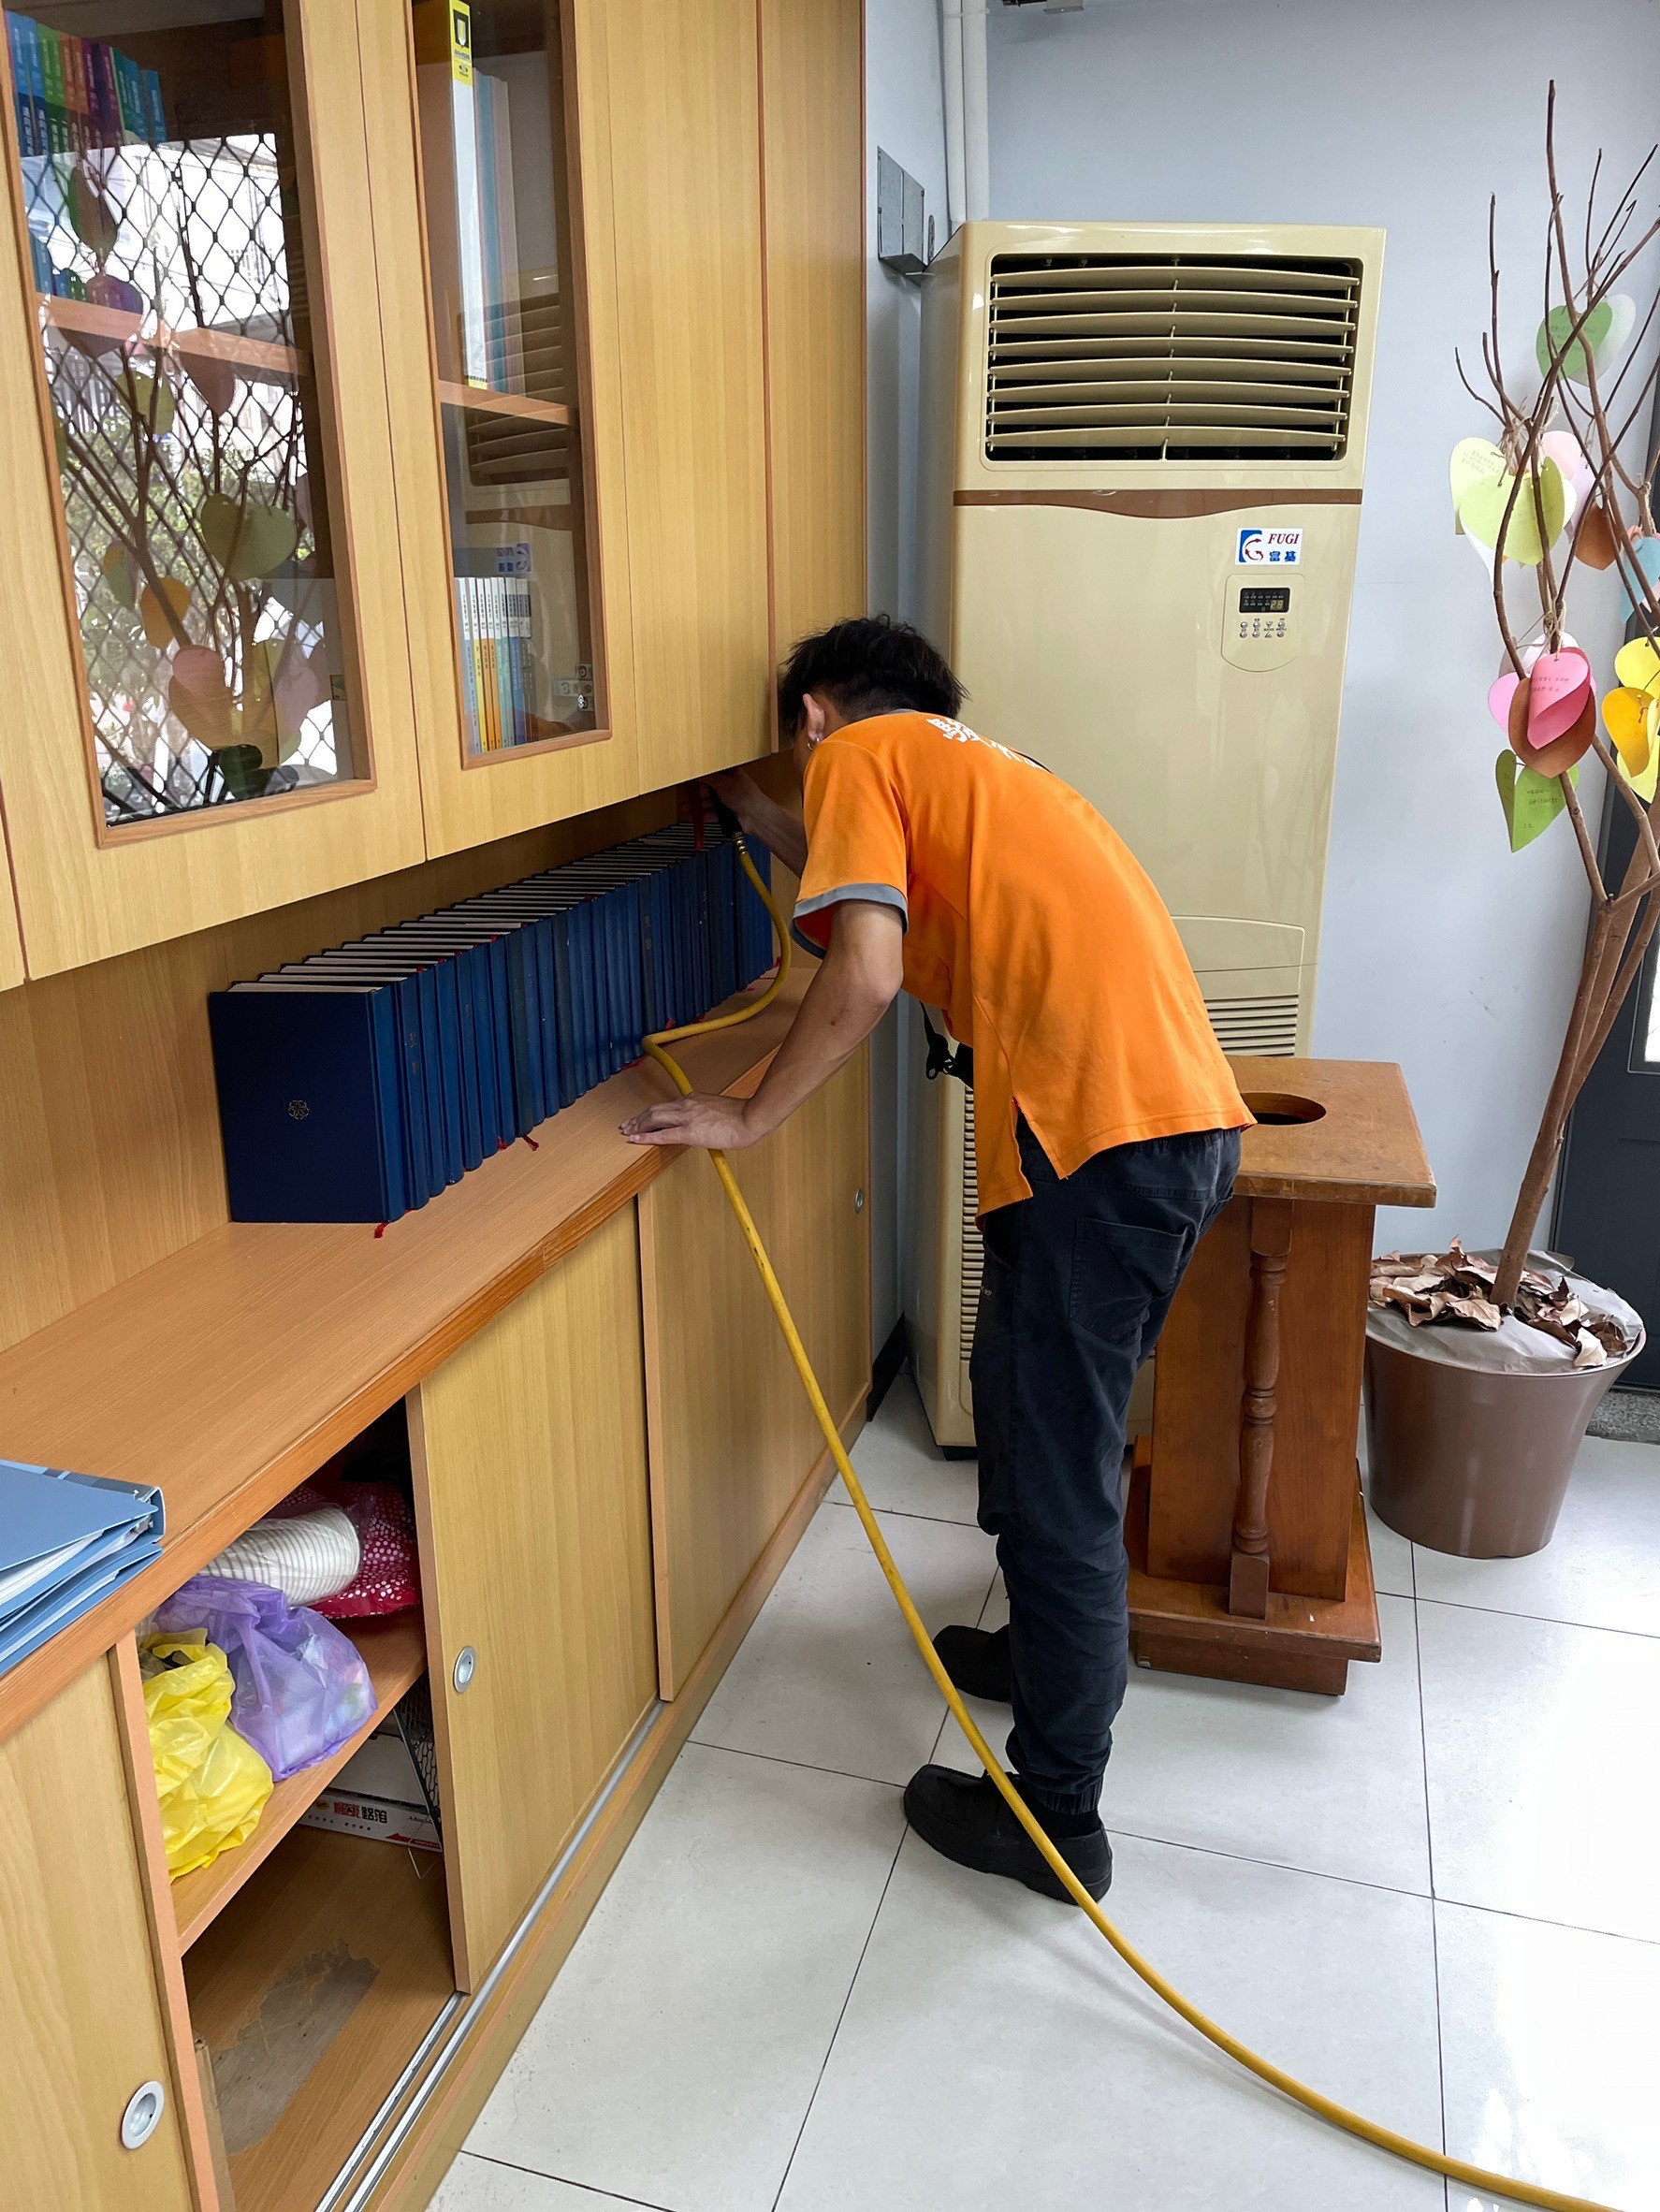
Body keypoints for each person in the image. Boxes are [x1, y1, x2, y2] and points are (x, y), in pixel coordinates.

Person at [621, 616, 1250, 1904]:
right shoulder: (965, 766)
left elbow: (864, 973)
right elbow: (868, 891)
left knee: (1060, 1482)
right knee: (1016, 1409)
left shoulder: (861, 757)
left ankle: (1059, 1818)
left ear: (814, 716)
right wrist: (750, 812)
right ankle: (1036, 1659)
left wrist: (746, 1115)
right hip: (1147, 1136)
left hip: (1095, 1149)